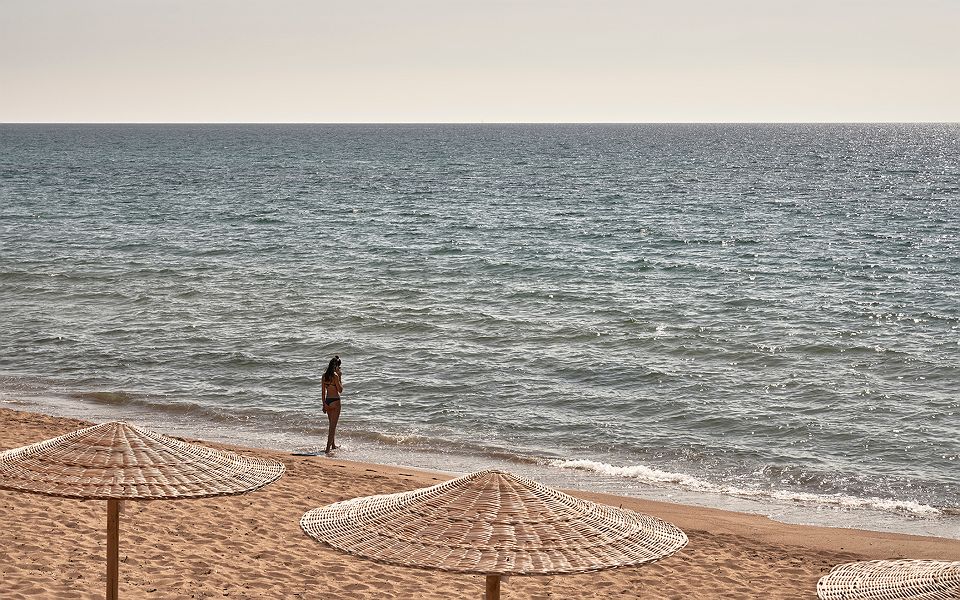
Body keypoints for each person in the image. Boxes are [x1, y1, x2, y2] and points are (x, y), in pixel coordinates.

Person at [321, 355, 343, 453]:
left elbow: (323, 392)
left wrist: (324, 404)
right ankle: (327, 448)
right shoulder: (335, 376)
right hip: (335, 401)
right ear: (336, 366)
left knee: (331, 425)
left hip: (328, 401)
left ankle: (333, 445)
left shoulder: (324, 376)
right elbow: (340, 390)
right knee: (333, 427)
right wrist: (340, 376)